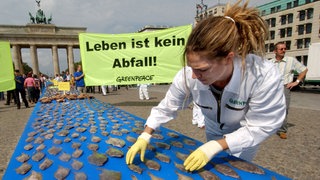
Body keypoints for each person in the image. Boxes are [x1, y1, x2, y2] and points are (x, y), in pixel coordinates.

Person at [126, 0, 286, 172]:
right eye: (191, 67)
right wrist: (145, 135)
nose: (194, 75)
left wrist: (214, 147)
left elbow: (261, 126)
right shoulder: (188, 75)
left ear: (228, 58)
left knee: (237, 171)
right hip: (213, 130)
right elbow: (166, 108)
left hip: (244, 137)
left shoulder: (262, 75)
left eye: (202, 69)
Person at [271, 42, 308, 139]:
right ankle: (268, 127)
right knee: (270, 108)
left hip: (285, 87)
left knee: (284, 108)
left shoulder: (291, 60)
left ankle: (282, 130)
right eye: (281, 49)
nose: (284, 50)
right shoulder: (270, 62)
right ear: (275, 51)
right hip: (272, 88)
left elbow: (304, 70)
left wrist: (297, 81)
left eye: (285, 48)